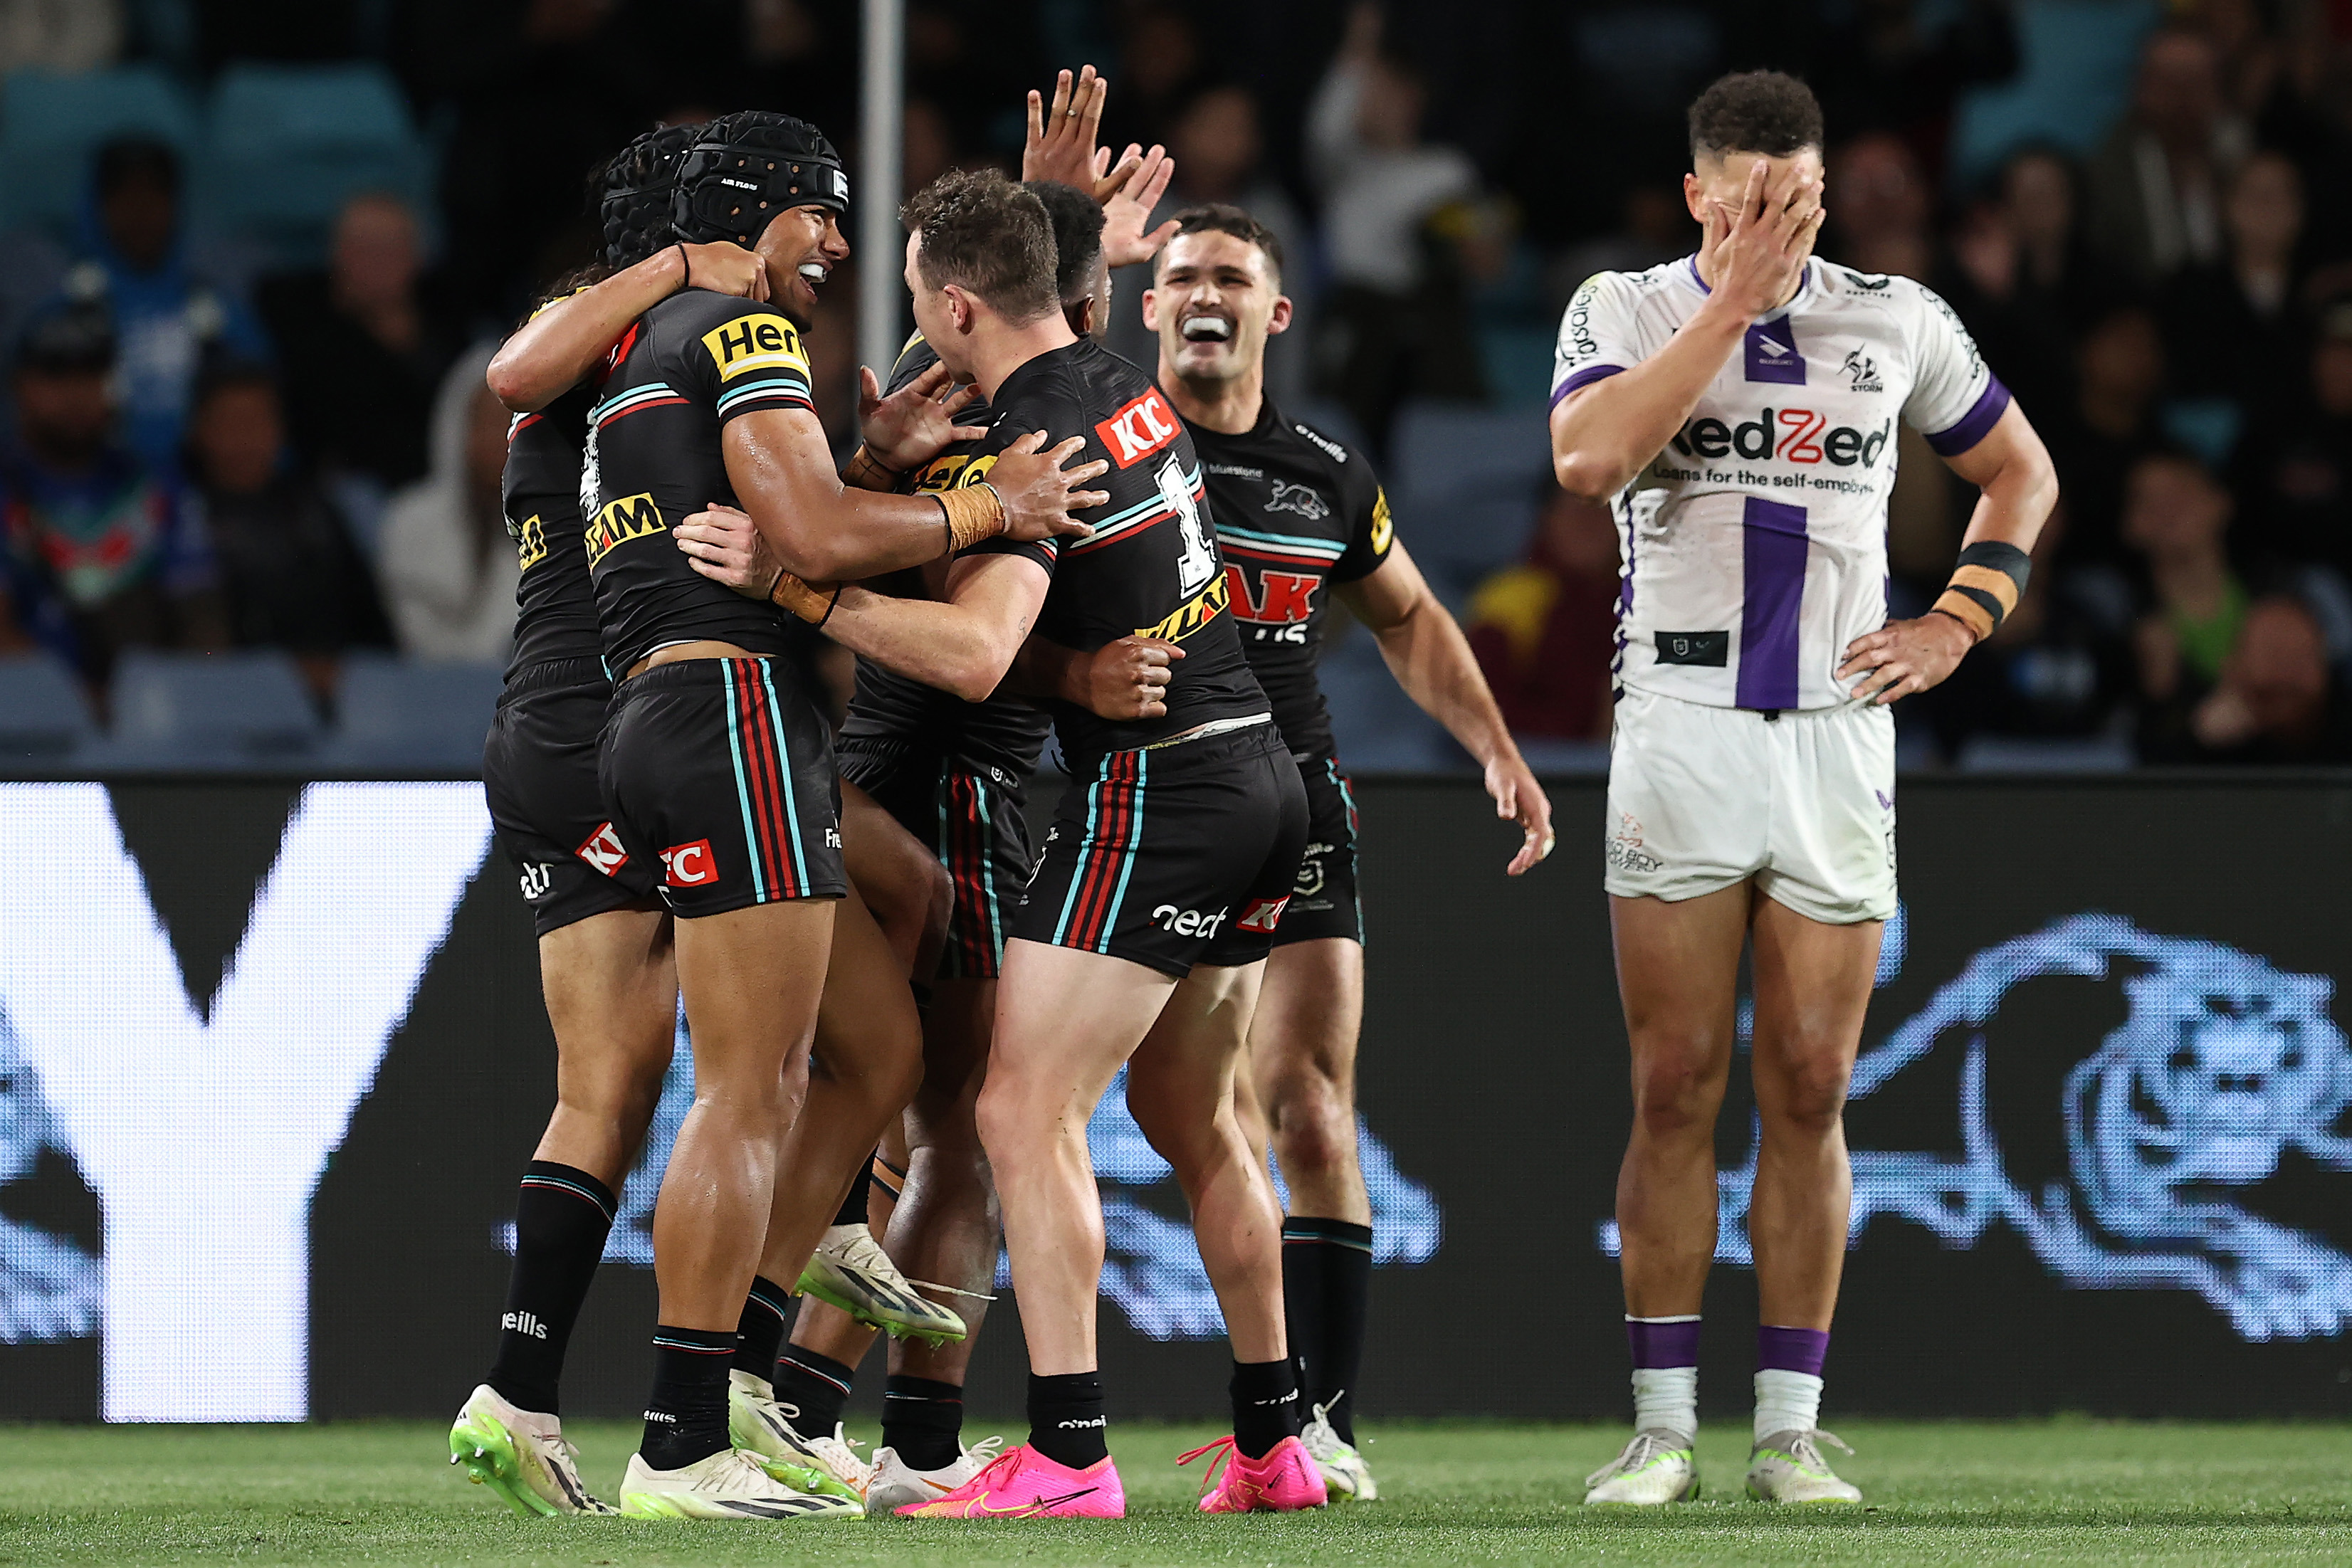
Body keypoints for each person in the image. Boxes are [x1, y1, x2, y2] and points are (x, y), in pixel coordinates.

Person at [749, 167, 1321, 1520]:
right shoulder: (1116, 377)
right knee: (1193, 1118)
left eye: (915, 300)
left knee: (1009, 1108)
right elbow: (1042, 302)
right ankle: (1272, 1441)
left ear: (954, 306)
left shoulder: (1039, 441)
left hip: (1161, 791)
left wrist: (796, 585)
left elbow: (968, 650)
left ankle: (1066, 1453)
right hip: (1258, 780)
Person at [1548, 70, 2058, 1505]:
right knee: (1670, 1083)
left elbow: (2017, 473)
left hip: (1834, 730)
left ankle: (1784, 1427)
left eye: (1799, 197)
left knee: (1815, 1082)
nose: (1778, 221)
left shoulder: (1893, 316)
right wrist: (1728, 306)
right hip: (1681, 721)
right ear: (1699, 192)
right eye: (1749, 198)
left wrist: (1958, 621)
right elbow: (1585, 459)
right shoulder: (1621, 308)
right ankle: (1659, 1429)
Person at [580, 112, 1095, 1519]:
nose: (838, 251)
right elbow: (802, 542)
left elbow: (798, 510)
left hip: (669, 717)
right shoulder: (742, 332)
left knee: (872, 1051)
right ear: (761, 216)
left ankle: (745, 1377)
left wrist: (870, 462)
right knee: (756, 1084)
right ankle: (681, 1440)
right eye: (820, 217)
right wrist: (986, 504)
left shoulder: (632, 359)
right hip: (732, 713)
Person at [1128, 202, 1554, 1500]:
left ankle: (1314, 1427)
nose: (1204, 294)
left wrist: (1495, 747)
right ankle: (949, 1427)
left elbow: (1412, 618)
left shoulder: (1321, 467)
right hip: (1129, 801)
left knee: (1308, 1105)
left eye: (1230, 278)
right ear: (1144, 306)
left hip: (1293, 801)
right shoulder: (1094, 451)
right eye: (1181, 275)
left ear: (1276, 312)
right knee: (1033, 1111)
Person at [0, 302, 227, 686]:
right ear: (20, 385)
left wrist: (186, 688)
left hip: (153, 712)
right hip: (25, 717)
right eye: (55, 376)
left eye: (92, 374)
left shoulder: (156, 486)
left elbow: (205, 623)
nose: (76, 394)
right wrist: (80, 700)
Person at [58, 137, 270, 475]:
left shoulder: (217, 310)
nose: (141, 213)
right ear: (98, 207)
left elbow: (261, 419)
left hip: (203, 495)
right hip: (91, 493)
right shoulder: (66, 311)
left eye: (154, 197)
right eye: (125, 199)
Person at [182, 362, 392, 699]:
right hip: (234, 699)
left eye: (257, 421)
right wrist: (290, 676)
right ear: (199, 429)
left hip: (343, 696)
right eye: (230, 422)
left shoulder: (318, 511)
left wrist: (347, 674)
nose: (245, 437)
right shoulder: (179, 516)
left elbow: (373, 626)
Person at [258, 192, 458, 499]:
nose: (375, 264)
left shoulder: (451, 320)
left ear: (417, 257)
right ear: (335, 254)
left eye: (389, 249)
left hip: (437, 488)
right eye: (362, 249)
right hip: (338, 492)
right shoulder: (292, 318)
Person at [375, 343, 519, 663]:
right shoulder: (411, 520)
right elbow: (421, 641)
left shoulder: (558, 526)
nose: (503, 440)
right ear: (457, 426)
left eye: (515, 424)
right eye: (491, 423)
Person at [1466, 480, 1622, 743]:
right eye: (1574, 512)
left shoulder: (1646, 603)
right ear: (1547, 517)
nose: (1588, 526)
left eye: (1602, 513)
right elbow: (1481, 714)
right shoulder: (1510, 598)